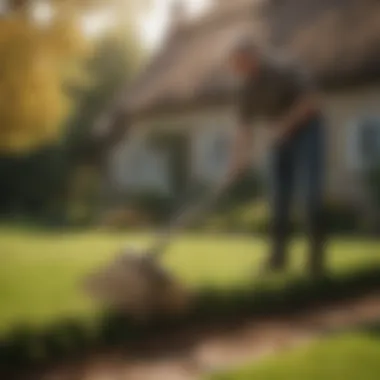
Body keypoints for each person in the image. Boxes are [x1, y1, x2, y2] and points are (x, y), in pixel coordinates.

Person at [225, 38, 326, 276]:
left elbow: (311, 100)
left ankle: (316, 261)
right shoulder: (246, 88)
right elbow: (243, 129)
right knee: (278, 198)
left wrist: (285, 124)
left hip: (308, 131)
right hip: (279, 137)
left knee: (310, 193)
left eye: (239, 63)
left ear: (253, 56)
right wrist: (237, 162)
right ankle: (278, 259)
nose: (237, 70)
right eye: (234, 66)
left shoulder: (284, 69)